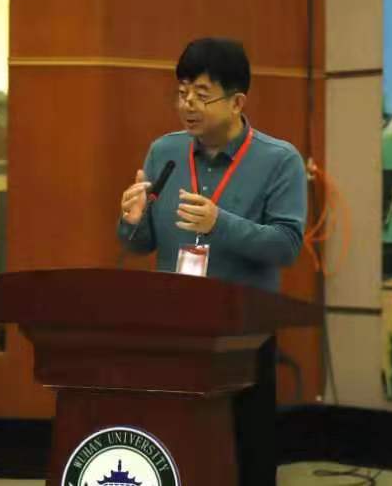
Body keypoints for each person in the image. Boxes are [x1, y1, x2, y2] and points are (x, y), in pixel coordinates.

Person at [116, 37, 308, 486]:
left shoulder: (279, 161)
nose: (188, 105)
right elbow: (140, 243)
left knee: (245, 453)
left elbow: (287, 245)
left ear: (237, 102)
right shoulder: (164, 152)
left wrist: (220, 224)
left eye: (202, 95)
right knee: (174, 446)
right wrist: (131, 221)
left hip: (244, 335)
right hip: (174, 331)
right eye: (182, 93)